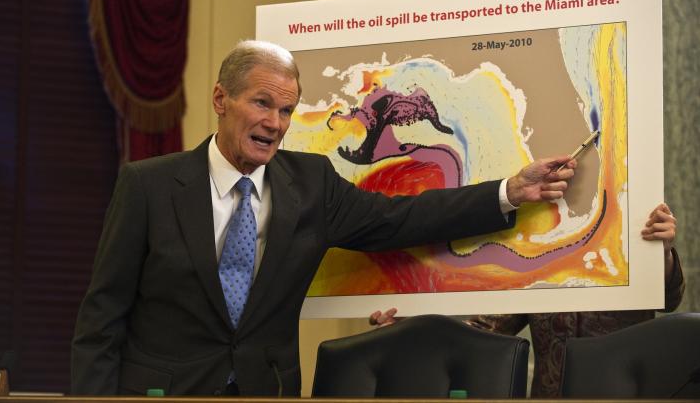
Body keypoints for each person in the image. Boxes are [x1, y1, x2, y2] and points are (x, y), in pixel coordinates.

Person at [71, 40, 577, 396]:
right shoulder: (148, 185)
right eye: (262, 103)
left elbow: (401, 218)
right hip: (163, 392)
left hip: (264, 391)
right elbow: (101, 320)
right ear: (221, 100)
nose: (275, 123)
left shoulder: (309, 184)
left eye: (287, 110)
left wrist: (510, 192)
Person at [369, 203, 685, 398]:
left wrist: (663, 251)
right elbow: (483, 331)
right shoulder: (536, 264)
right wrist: (412, 327)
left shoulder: (624, 234)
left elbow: (669, 298)